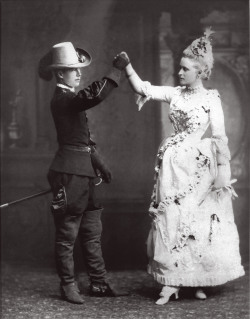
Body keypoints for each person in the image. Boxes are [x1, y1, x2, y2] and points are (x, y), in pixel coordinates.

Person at [114, 28, 245, 305]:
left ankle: (196, 281)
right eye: (180, 68)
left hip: (199, 169)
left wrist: (222, 174)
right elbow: (143, 89)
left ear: (200, 72)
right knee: (171, 219)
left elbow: (220, 138)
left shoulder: (211, 98)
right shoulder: (175, 93)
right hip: (173, 167)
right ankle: (171, 282)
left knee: (198, 223)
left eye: (185, 69)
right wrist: (127, 67)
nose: (180, 73)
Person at [38, 42, 129, 304]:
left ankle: (98, 283)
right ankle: (67, 285)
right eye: (72, 69)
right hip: (68, 174)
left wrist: (98, 163)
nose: (78, 73)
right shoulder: (62, 99)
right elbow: (93, 96)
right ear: (59, 74)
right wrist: (115, 71)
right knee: (67, 235)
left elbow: (83, 140)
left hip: (84, 173)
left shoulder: (70, 99)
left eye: (79, 69)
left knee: (91, 231)